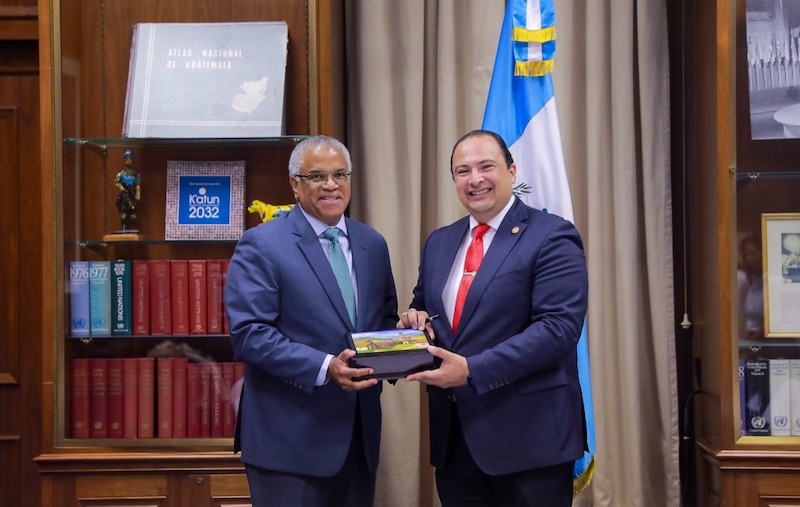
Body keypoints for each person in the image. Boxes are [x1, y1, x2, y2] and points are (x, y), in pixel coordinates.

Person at [398, 130, 589, 507]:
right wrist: (414, 321)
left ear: (512, 171)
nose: (475, 179)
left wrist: (472, 370)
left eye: (486, 166)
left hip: (531, 442)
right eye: (463, 171)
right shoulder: (439, 242)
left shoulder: (552, 235)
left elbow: (558, 330)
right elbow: (425, 308)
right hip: (456, 443)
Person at [225, 135, 399, 507]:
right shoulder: (262, 244)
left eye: (340, 174)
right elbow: (250, 334)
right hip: (288, 445)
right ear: (295, 184)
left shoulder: (372, 243)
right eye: (317, 176)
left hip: (358, 443)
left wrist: (407, 342)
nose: (331, 185)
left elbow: (382, 321)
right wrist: (325, 367)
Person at [114, 150, 141, 231]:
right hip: (124, 195)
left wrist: (138, 195)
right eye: (127, 158)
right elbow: (116, 182)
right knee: (123, 212)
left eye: (130, 158)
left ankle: (133, 226)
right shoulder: (121, 173)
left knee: (133, 209)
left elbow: (137, 185)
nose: (128, 160)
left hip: (131, 195)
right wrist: (121, 187)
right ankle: (124, 227)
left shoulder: (135, 174)